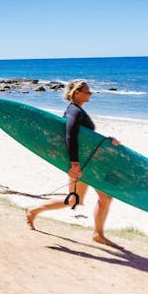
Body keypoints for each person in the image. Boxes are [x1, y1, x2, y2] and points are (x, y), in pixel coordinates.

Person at [25, 80, 122, 248]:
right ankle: (97, 234)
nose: (90, 93)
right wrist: (75, 164)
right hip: (82, 165)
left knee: (76, 201)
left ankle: (35, 210)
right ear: (77, 92)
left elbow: (86, 139)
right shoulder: (74, 111)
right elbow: (70, 136)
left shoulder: (76, 111)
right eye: (87, 91)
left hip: (87, 163)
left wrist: (107, 141)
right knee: (93, 198)